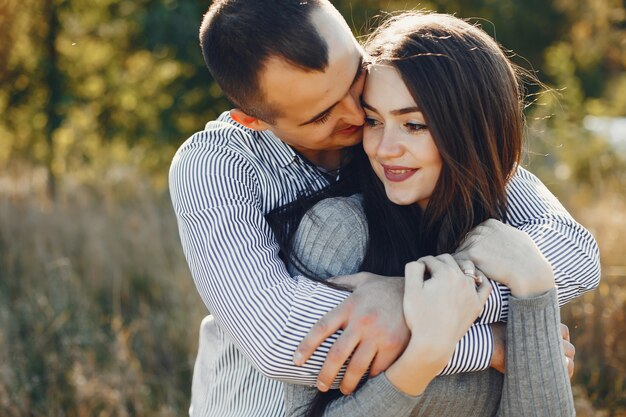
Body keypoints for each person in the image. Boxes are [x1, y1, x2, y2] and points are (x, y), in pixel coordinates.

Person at [168, 1, 600, 416]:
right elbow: (284, 342)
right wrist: (493, 344)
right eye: (322, 115)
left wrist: (412, 294)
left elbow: (570, 251)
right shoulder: (215, 166)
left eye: (355, 75)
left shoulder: (385, 117)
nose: (357, 115)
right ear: (255, 120)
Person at [281, 12, 586, 416]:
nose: (385, 148)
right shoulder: (339, 230)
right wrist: (422, 356)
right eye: (373, 120)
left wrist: (534, 282)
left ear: (472, 129)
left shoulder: (511, 243)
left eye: (414, 125)